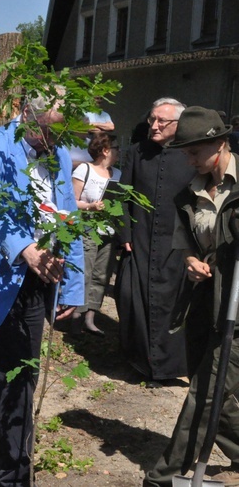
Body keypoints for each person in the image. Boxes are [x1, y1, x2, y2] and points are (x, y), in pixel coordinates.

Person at [0, 92, 84, 487]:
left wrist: (73, 287)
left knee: (18, 376)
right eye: (49, 128)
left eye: (63, 130)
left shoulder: (57, 154)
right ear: (27, 115)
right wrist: (26, 249)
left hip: (36, 281)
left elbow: (69, 217)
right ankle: (15, 478)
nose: (55, 138)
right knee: (15, 379)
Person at [143, 106, 239, 486]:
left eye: (194, 152)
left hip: (236, 306)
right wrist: (191, 260)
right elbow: (185, 240)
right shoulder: (192, 192)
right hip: (205, 300)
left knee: (208, 389)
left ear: (220, 144)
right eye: (184, 152)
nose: (189, 159)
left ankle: (165, 473)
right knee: (220, 390)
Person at [116, 97, 194, 387]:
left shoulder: (191, 153)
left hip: (178, 246)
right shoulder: (138, 152)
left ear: (179, 124)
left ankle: (169, 367)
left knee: (173, 305)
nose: (154, 125)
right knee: (133, 300)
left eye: (162, 121)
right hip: (140, 242)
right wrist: (124, 233)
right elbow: (122, 195)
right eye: (152, 119)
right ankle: (141, 362)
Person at [71, 132, 122, 336]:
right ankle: (76, 317)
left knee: (102, 274)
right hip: (87, 228)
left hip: (108, 231)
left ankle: (91, 318)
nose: (119, 153)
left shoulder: (117, 174)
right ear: (105, 150)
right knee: (84, 272)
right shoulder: (84, 169)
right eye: (116, 149)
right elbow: (72, 201)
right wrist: (90, 207)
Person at [68, 96, 116, 167]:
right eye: (97, 98)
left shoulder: (105, 115)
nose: (99, 100)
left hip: (99, 143)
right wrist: (102, 127)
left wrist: (95, 124)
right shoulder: (84, 113)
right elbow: (85, 127)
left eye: (101, 98)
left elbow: (111, 127)